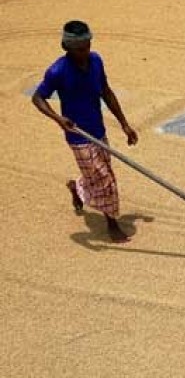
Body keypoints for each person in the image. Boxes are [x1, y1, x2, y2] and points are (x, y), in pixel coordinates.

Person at [32, 20, 138, 243]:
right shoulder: (57, 71)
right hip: (78, 135)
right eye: (80, 49)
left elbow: (106, 92)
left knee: (101, 172)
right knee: (105, 179)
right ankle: (112, 223)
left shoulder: (96, 61)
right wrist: (58, 118)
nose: (85, 52)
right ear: (68, 48)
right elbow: (38, 97)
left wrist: (124, 124)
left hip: (97, 130)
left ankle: (78, 188)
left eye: (87, 46)